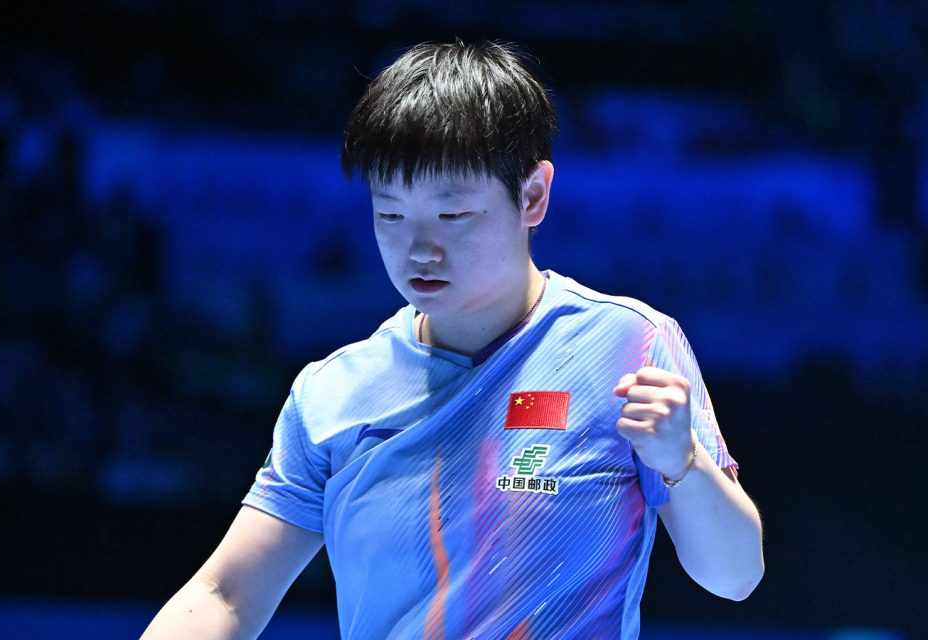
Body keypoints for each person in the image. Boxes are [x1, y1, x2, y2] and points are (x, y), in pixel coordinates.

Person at [141, 40, 764, 640]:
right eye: (390, 214)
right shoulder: (332, 394)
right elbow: (225, 595)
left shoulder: (629, 346)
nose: (419, 249)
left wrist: (681, 464)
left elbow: (735, 578)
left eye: (452, 214)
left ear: (533, 196)